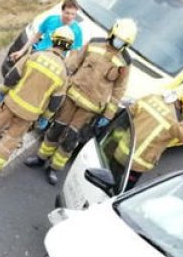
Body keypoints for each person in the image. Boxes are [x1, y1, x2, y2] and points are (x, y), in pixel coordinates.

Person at [25, 18, 137, 185]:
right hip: (72, 95)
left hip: (91, 107)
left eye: (122, 42)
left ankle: (54, 168)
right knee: (56, 128)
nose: (118, 43)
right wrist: (62, 82)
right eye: (117, 38)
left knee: (71, 138)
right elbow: (73, 63)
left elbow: (118, 90)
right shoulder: (94, 43)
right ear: (112, 33)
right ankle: (41, 158)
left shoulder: (125, 62)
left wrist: (108, 114)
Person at [0, 27, 72, 176]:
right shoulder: (63, 73)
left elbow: (12, 76)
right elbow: (56, 102)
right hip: (29, 114)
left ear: (53, 39)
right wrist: (45, 118)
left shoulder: (35, 56)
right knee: (11, 140)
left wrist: (2, 92)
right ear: (68, 47)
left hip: (11, 103)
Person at [113, 78, 183, 190]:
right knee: (119, 191)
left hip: (119, 152)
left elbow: (127, 114)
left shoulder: (151, 98)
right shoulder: (175, 121)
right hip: (135, 165)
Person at [9, 0, 84, 63]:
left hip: (56, 61)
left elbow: (74, 54)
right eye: (67, 13)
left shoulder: (77, 31)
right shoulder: (51, 19)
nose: (69, 17)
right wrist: (21, 51)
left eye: (73, 14)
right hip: (39, 54)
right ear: (62, 11)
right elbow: (36, 37)